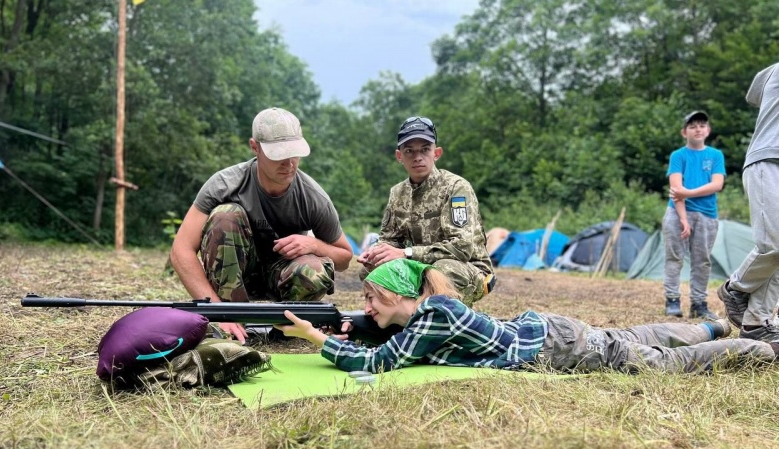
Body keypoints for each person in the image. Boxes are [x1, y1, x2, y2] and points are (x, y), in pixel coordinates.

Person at [277, 259, 776, 374]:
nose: (365, 307)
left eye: (372, 299)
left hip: (559, 348)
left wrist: (317, 339)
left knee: (658, 364)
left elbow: (382, 364)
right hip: (547, 330)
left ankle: (760, 348)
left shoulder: (432, 313)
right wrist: (358, 328)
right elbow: (393, 339)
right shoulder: (427, 313)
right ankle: (711, 324)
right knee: (629, 334)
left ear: (401, 295)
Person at [170, 107, 353, 343]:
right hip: (232, 277)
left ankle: (287, 328)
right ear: (254, 147)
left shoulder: (312, 196)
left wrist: (313, 244)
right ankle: (232, 321)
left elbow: (345, 258)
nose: (289, 163)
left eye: (294, 153)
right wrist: (215, 311)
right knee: (225, 215)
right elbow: (180, 251)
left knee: (315, 268)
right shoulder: (224, 184)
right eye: (278, 154)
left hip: (283, 276)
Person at [356, 116, 495, 306]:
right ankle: (396, 321)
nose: (417, 157)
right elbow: (389, 239)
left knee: (439, 273)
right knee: (370, 270)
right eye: (409, 151)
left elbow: (463, 247)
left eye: (425, 149)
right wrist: (375, 253)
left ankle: (445, 323)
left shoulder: (455, 187)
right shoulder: (397, 193)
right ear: (399, 156)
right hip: (419, 264)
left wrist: (407, 253)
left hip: (467, 267)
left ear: (436, 153)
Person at [718, 62, 779, 350]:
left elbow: (755, 93)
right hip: (768, 160)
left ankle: (757, 323)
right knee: (774, 243)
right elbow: (755, 91)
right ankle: (734, 288)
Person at [662, 110, 726, 319]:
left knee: (702, 260)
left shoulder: (715, 155)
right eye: (692, 126)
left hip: (707, 215)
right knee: (674, 258)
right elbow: (675, 189)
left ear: (708, 130)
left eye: (701, 125)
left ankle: (699, 304)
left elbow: (717, 184)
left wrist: (688, 193)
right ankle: (672, 300)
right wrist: (682, 218)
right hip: (677, 212)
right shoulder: (678, 156)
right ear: (684, 132)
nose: (697, 129)